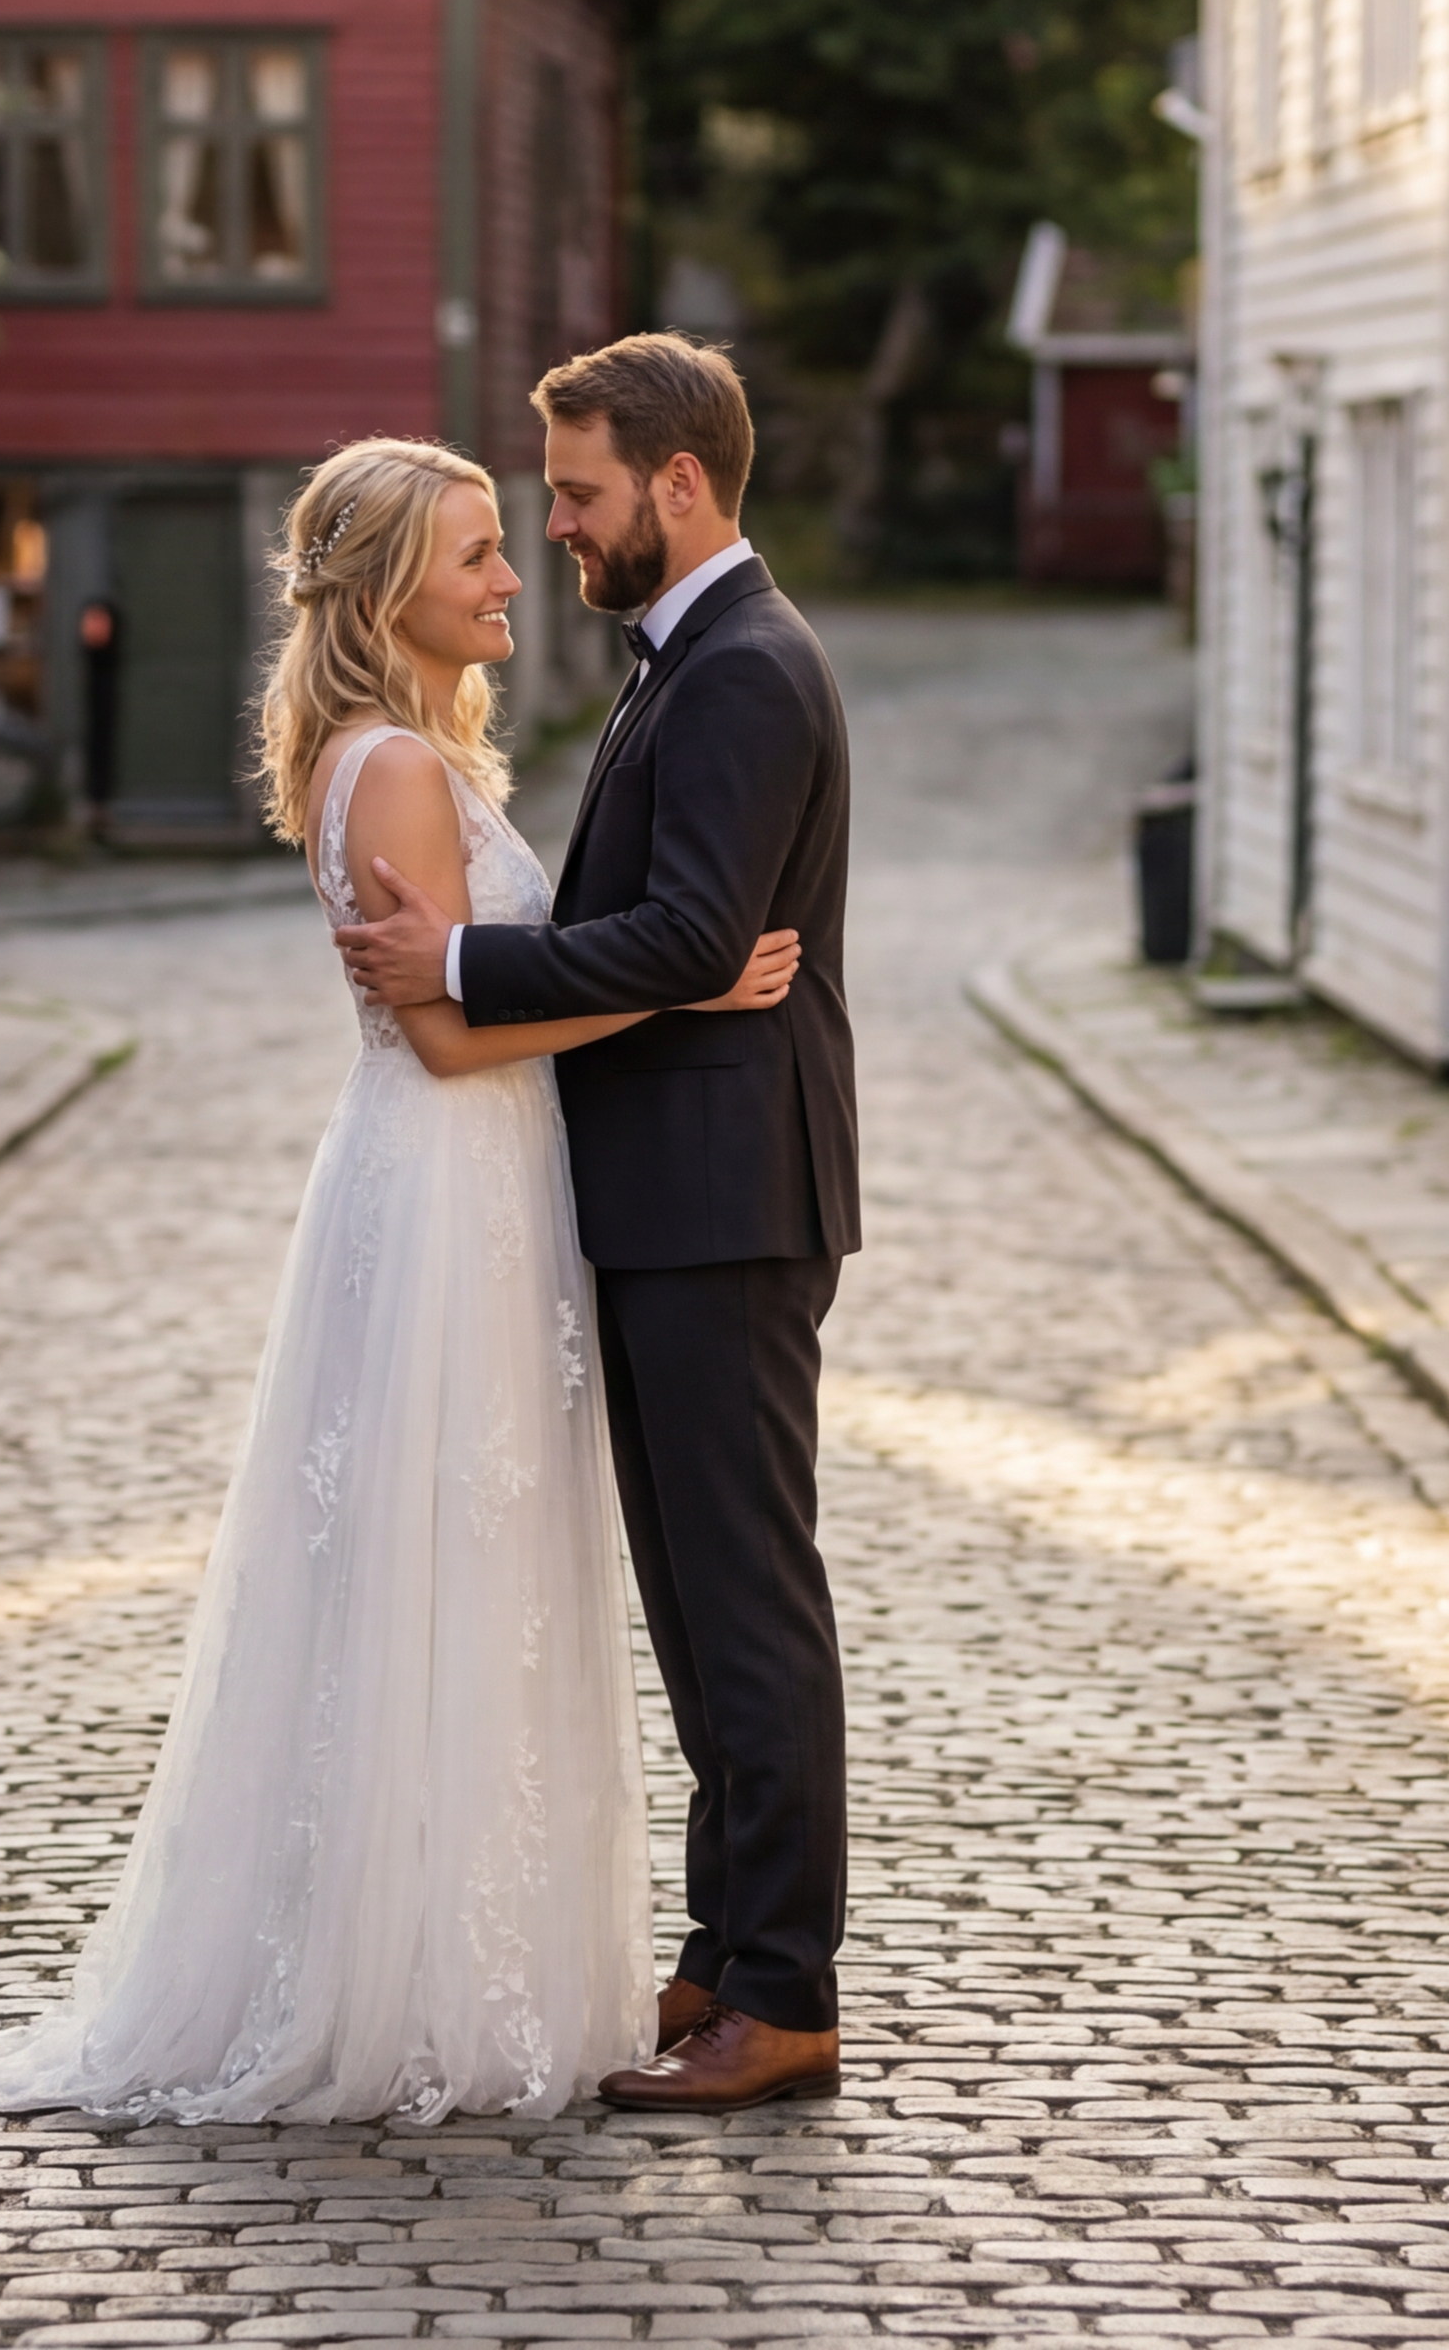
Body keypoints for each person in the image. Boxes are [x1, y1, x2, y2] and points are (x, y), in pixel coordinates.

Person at [0, 435, 801, 2124]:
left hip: (471, 1189)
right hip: (446, 1179)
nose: (509, 572)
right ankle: (401, 1973)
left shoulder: (404, 749)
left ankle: (464, 1939)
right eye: (477, 551)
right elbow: (454, 1035)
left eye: (508, 539)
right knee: (439, 1558)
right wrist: (687, 995)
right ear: (391, 582)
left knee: (468, 1559)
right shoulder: (392, 764)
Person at [335, 332, 860, 2114]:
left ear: (680, 485)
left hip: (725, 1200)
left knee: (747, 1598)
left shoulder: (742, 669)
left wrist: (462, 958)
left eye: (573, 493)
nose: (555, 525)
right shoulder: (680, 657)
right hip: (666, 1196)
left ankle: (783, 1994)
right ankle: (724, 1958)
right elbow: (690, 945)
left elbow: (697, 935)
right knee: (698, 1610)